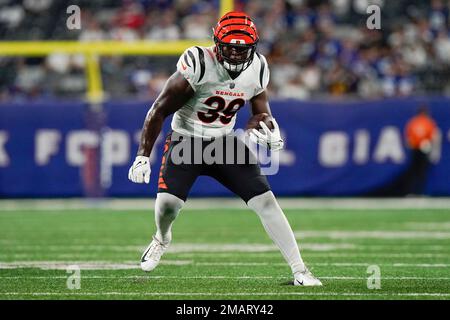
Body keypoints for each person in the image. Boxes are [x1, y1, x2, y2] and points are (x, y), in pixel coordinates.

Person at [128, 11, 322, 286]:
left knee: (266, 201)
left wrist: (266, 128)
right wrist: (142, 156)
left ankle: (300, 270)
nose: (235, 55)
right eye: (230, 48)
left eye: (242, 50)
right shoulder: (198, 62)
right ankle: (161, 237)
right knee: (168, 205)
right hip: (187, 139)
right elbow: (159, 109)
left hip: (224, 141)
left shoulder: (258, 67)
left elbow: (260, 112)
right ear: (216, 44)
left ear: (253, 49)